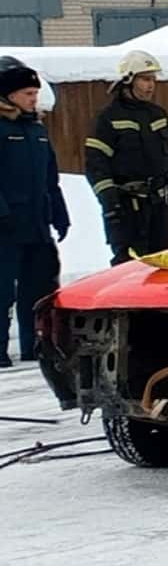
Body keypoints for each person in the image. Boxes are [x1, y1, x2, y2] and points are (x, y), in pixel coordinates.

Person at [85, 50, 168, 265]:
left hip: (159, 206)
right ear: (128, 80)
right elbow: (96, 164)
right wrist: (110, 203)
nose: (151, 85)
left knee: (160, 265)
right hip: (127, 210)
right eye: (145, 79)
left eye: (153, 79)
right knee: (129, 268)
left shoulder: (158, 115)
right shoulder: (108, 119)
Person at [0, 57, 68, 368]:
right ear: (9, 95)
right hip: (7, 227)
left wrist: (59, 213)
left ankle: (35, 347)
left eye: (35, 93)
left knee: (41, 290)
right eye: (27, 93)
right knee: (3, 291)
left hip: (38, 225)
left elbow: (50, 178)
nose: (33, 98)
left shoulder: (37, 131)